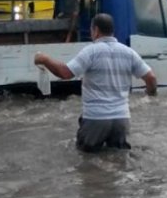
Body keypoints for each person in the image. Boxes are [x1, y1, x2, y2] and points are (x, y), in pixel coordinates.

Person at [34, 13, 157, 152]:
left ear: (96, 30)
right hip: (121, 120)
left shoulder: (91, 51)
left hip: (96, 118)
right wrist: (150, 93)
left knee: (86, 160)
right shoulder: (129, 53)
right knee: (118, 159)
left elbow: (65, 73)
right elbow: (151, 78)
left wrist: (45, 59)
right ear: (112, 31)